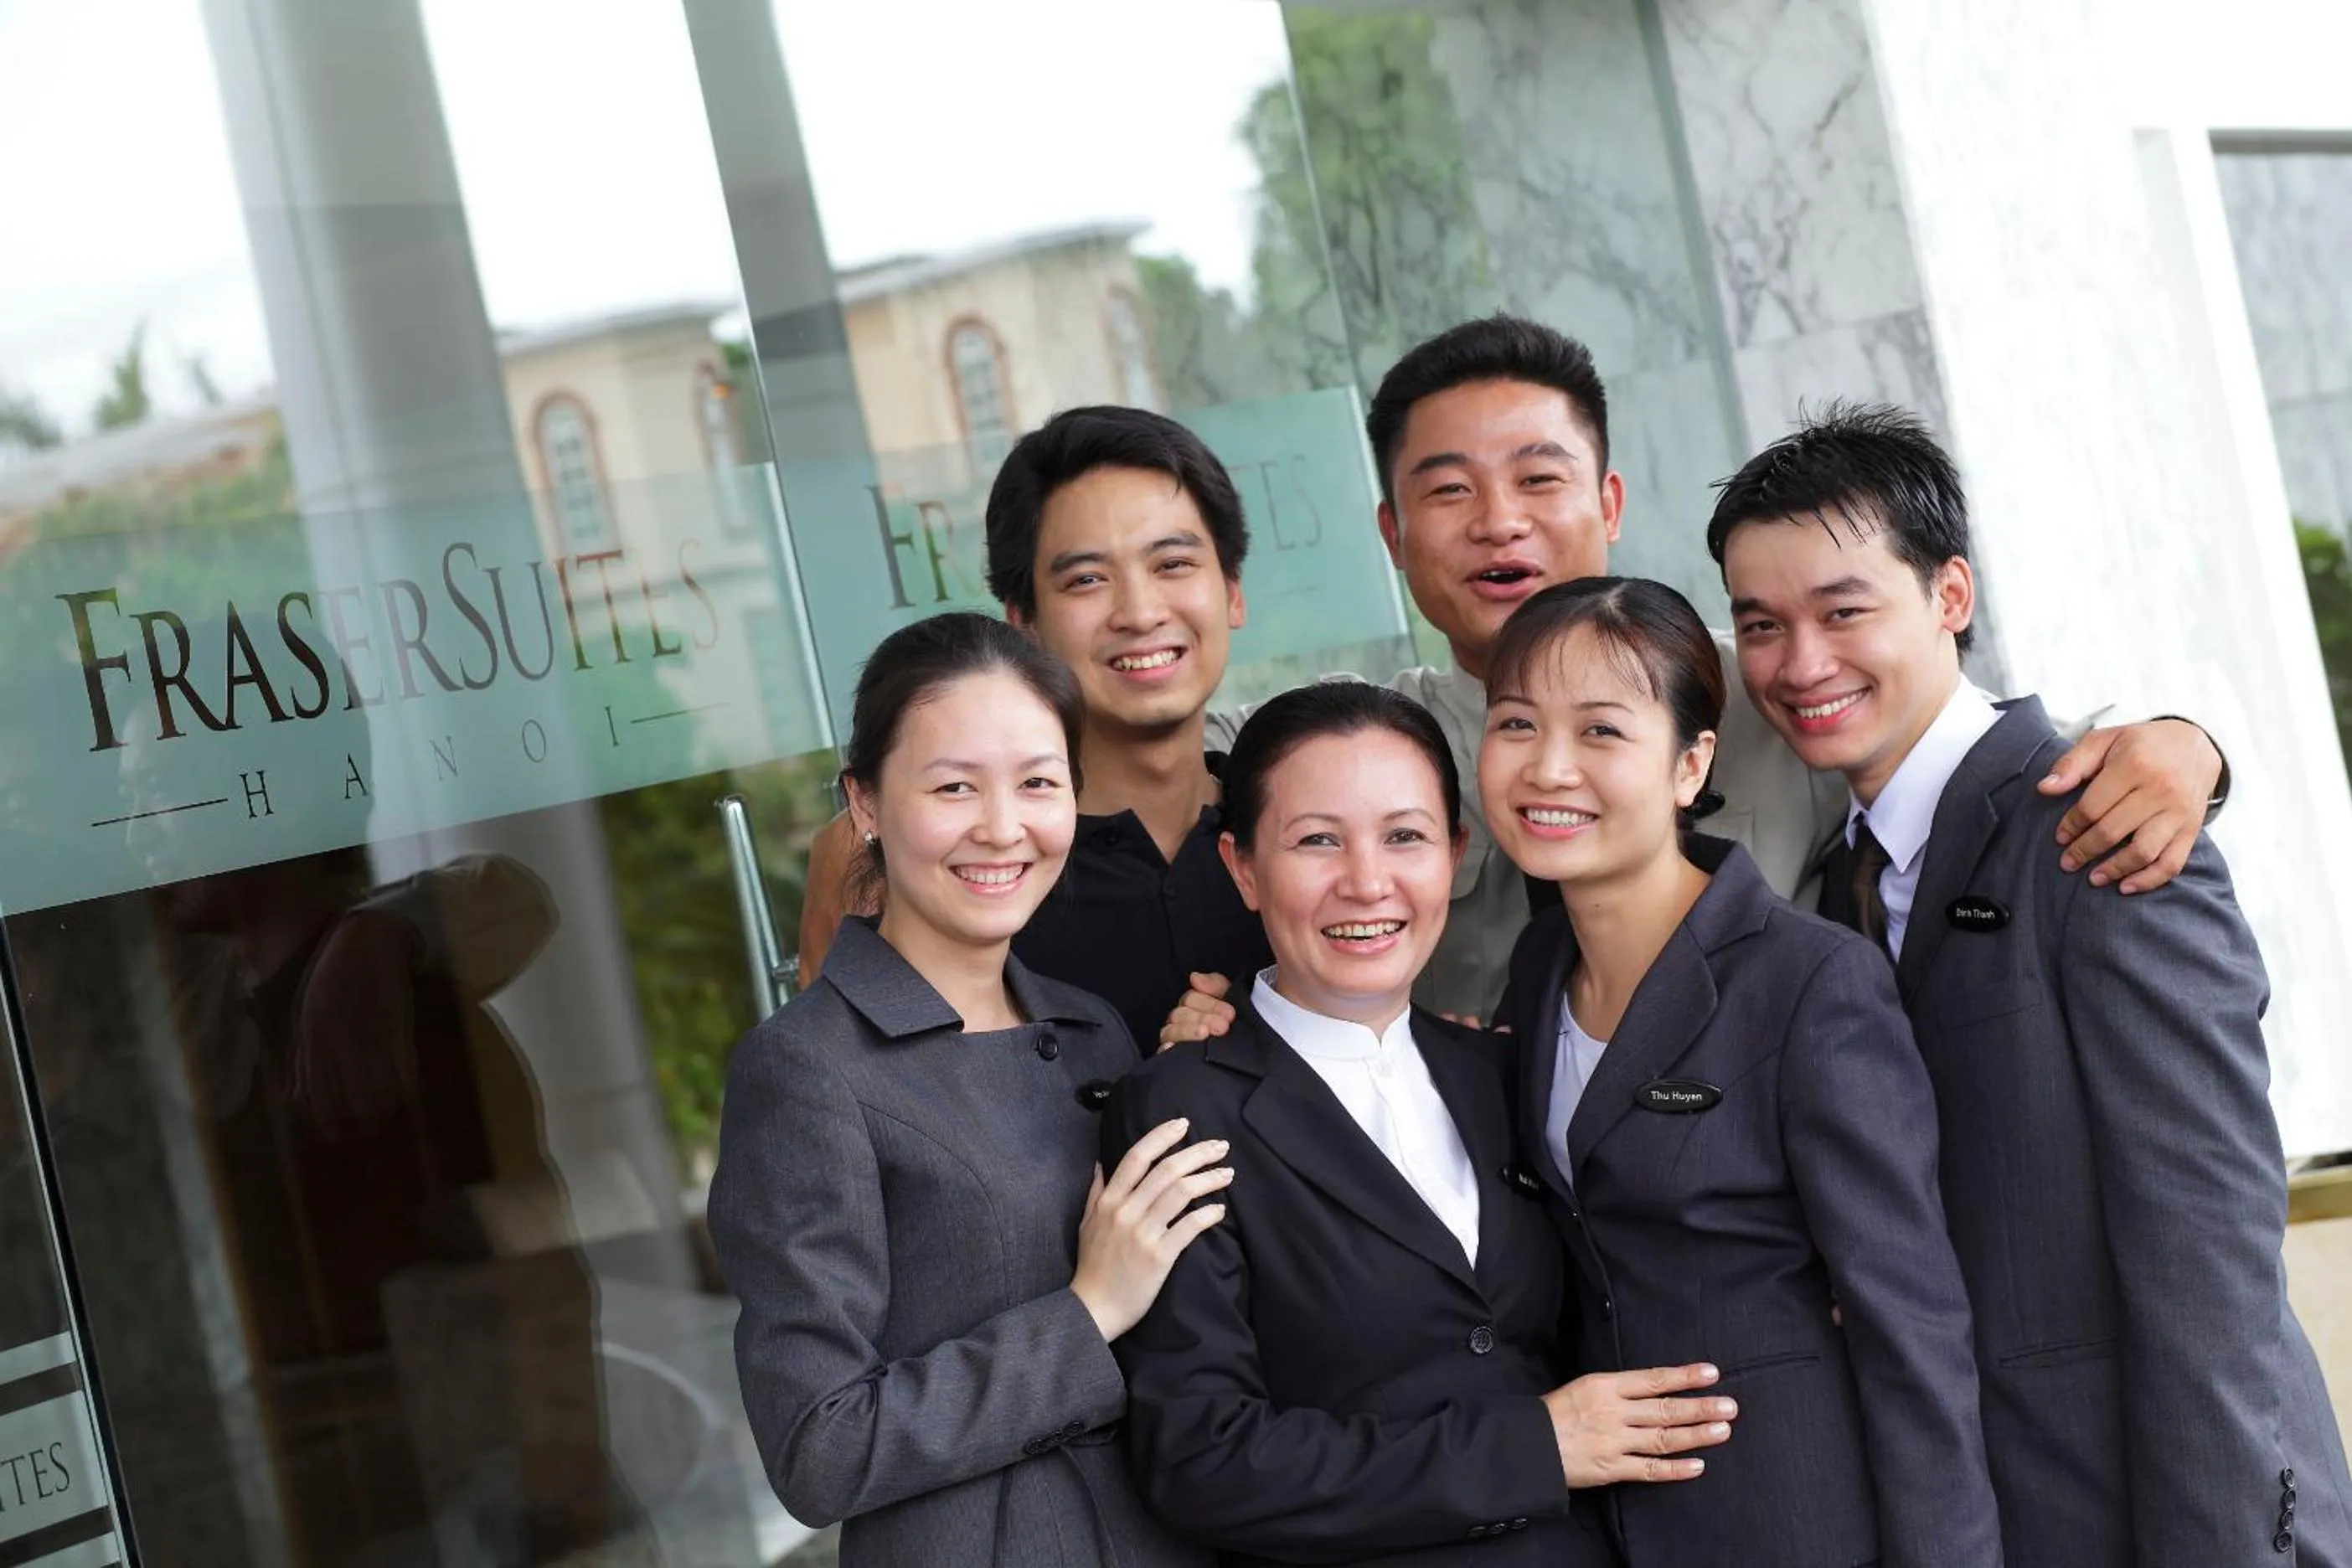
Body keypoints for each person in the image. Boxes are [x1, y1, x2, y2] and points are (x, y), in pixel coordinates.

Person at [1710, 402, 2350, 1566]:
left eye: (1844, 610)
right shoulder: (1832, 877)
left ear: (1950, 596)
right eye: (1761, 624)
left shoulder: (2101, 828)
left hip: (2164, 1518)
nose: (1801, 664)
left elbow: (2209, 1257)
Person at [1189, 316, 2227, 1023]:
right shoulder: (1355, 748)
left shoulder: (1774, 687)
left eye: (1539, 478)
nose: (1500, 521)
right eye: (1450, 491)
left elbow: (1977, 751)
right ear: (1393, 535)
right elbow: (1143, 750)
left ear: (1607, 504)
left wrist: (2190, 752)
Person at [1104, 681, 1739, 1568]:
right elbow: (1202, 1460)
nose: (1367, 881)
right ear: (1241, 868)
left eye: (1405, 836)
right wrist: (1532, 1447)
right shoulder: (1182, 1106)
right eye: (1317, 840)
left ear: (1455, 851)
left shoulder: (1502, 1073)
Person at [1486, 578, 1996, 1566]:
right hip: (1611, 1528)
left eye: (1601, 732)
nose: (1549, 768)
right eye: (1516, 724)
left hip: (1799, 1520)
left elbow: (1913, 1328)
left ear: (1690, 766)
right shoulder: (1539, 971)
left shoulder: (1808, 982)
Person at [709, 612, 1230, 1568]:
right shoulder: (807, 1071)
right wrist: (1087, 1313)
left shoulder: (1091, 1029)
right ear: (864, 803)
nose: (1003, 827)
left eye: (1038, 783)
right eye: (953, 787)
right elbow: (817, 1450)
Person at [798, 406, 1272, 1048]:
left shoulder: (1296, 833)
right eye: (1087, 580)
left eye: (1172, 565)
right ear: (1023, 621)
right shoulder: (960, 865)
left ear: (1234, 591)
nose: (1139, 612)